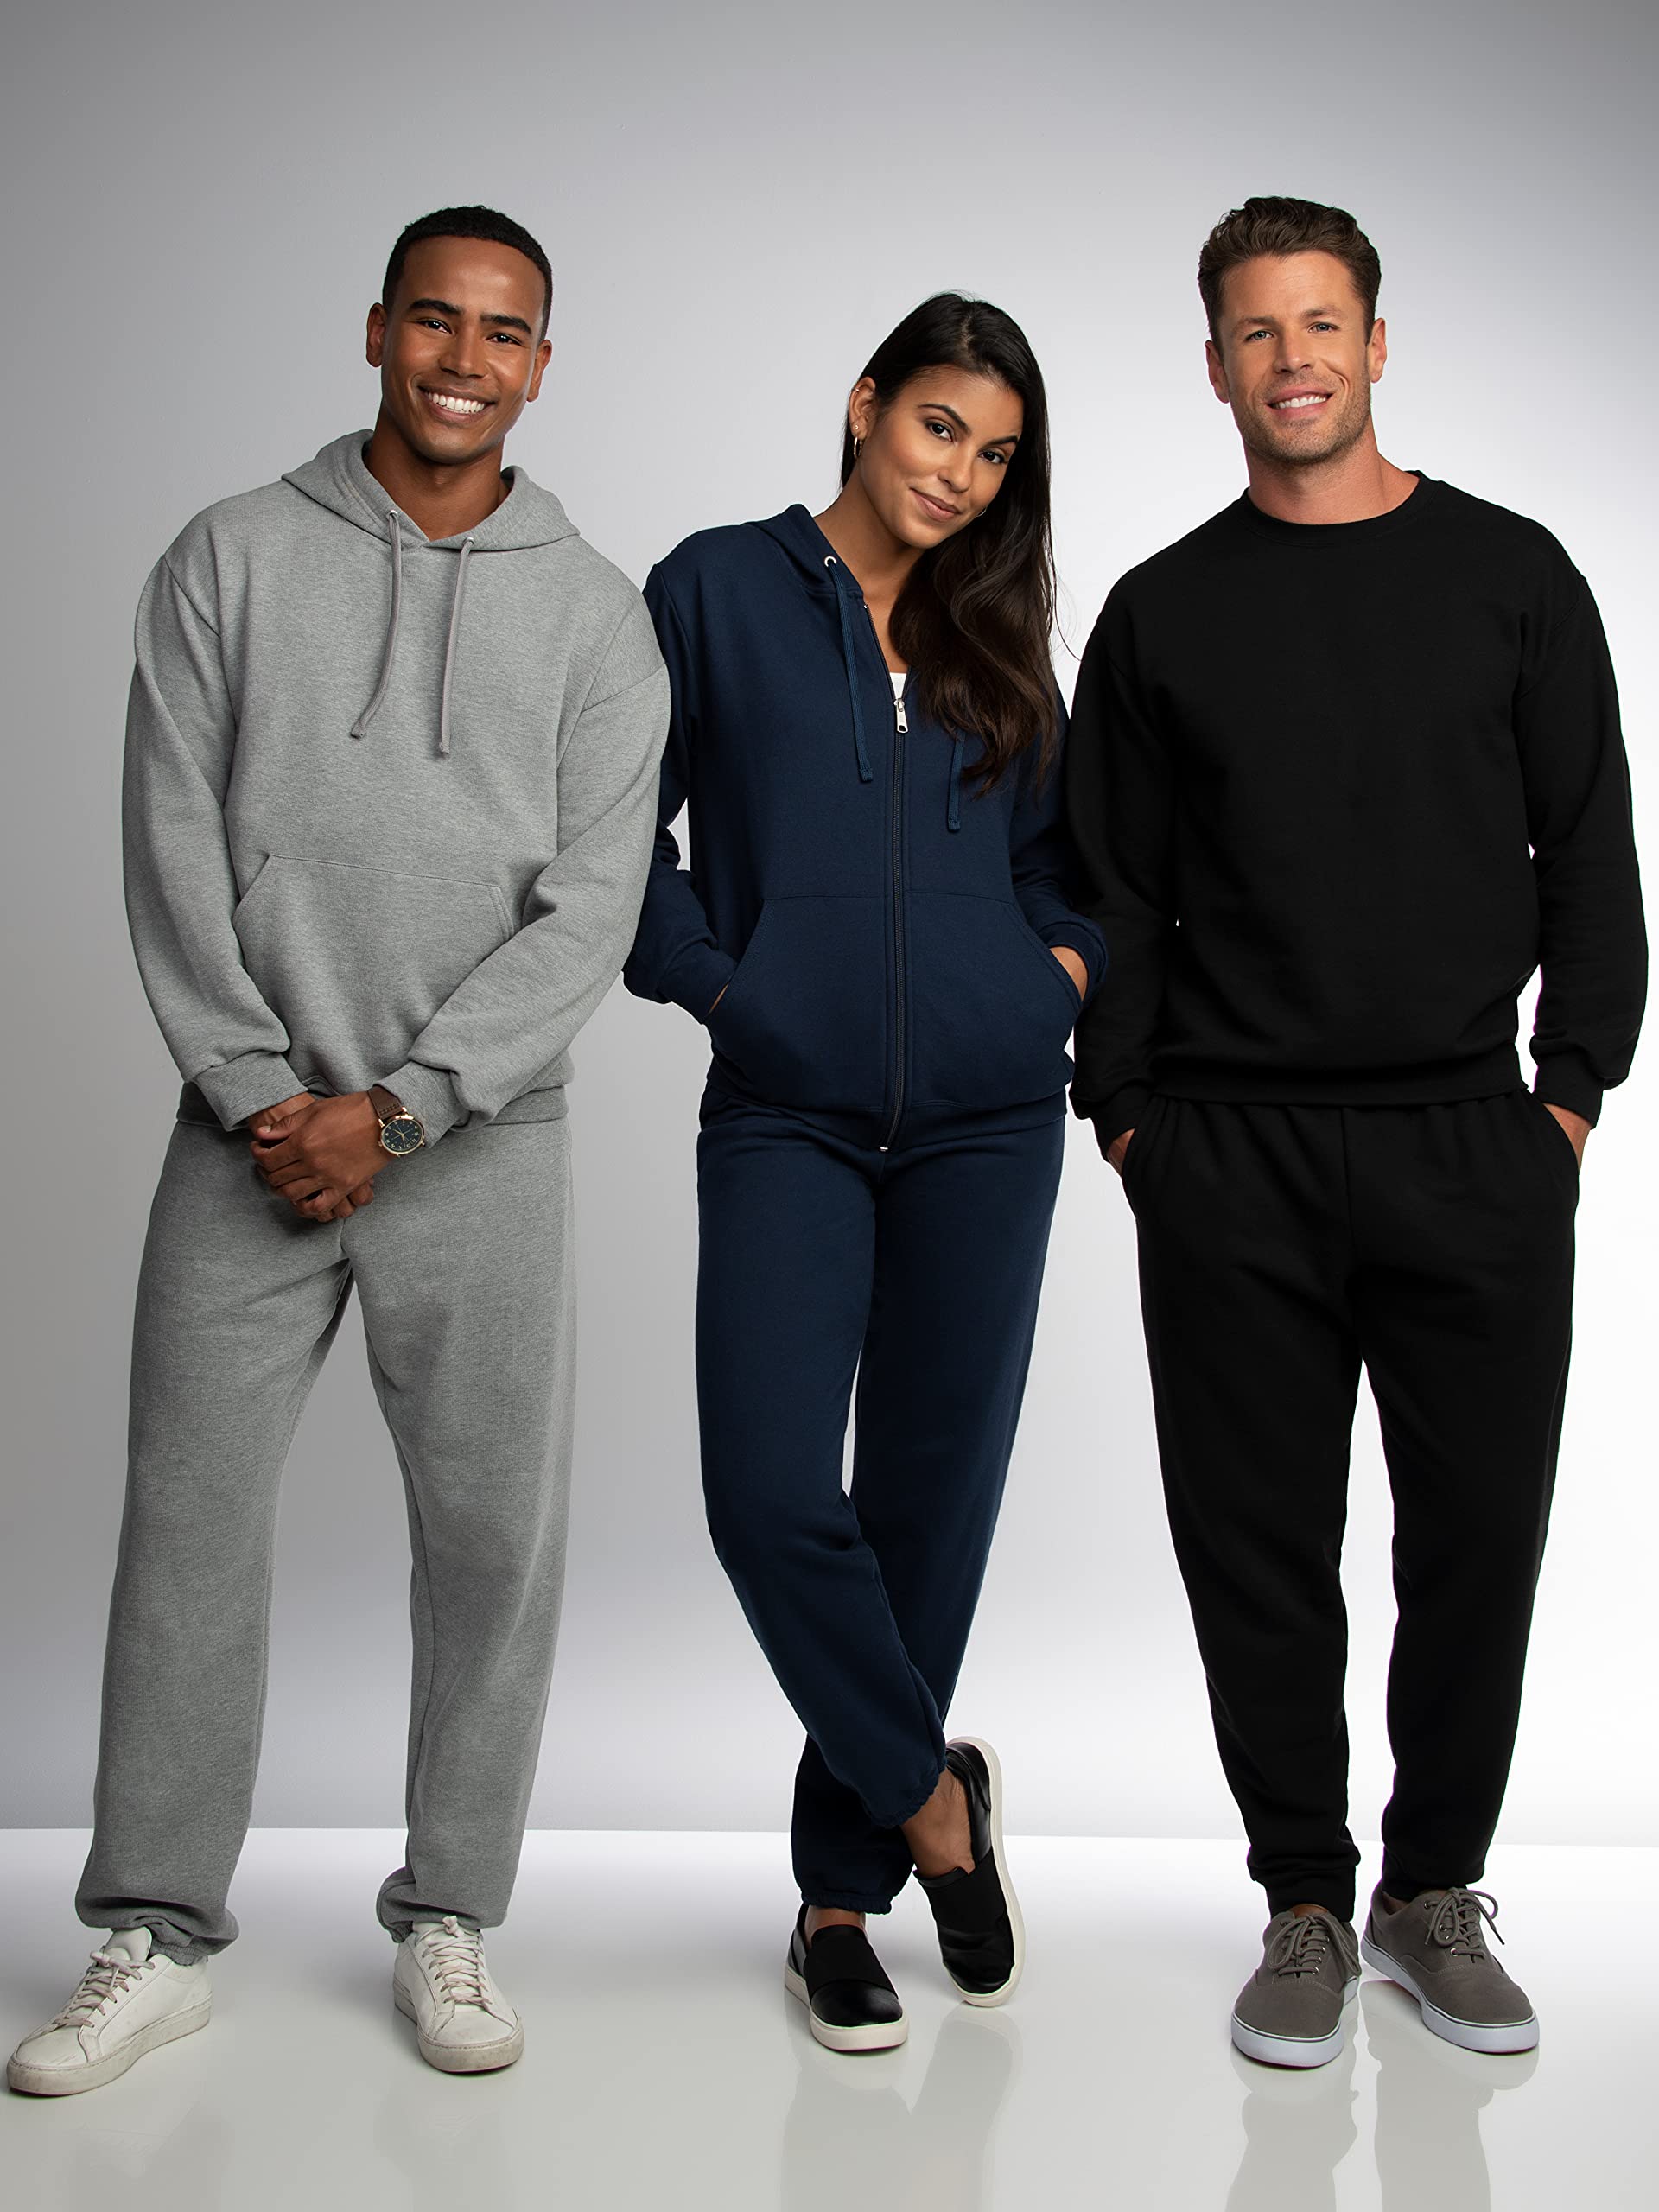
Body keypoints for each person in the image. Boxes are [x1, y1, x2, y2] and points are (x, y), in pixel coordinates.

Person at [6, 206, 669, 2095]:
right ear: (378, 331)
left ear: (543, 364)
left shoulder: (599, 615)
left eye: (505, 332)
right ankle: (154, 1930)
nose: (466, 358)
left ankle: (450, 1914)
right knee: (189, 1525)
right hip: (250, 1140)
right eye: (435, 320)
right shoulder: (226, 557)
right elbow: (168, 840)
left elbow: (593, 908)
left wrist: (402, 1108)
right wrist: (261, 1094)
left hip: (481, 1148)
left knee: (490, 1545)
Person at [1066, 196, 1645, 2068]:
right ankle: (1306, 1897)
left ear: (1378, 343)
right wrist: (1130, 1121)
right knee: (1257, 1549)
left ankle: (1433, 1887)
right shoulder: (1162, 611)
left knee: (1477, 1543)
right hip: (1227, 1150)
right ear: (1215, 365)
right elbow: (1110, 890)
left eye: (1322, 324)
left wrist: (1567, 1102)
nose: (1293, 359)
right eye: (1257, 330)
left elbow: (1594, 857)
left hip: (1472, 1142)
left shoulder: (1517, 577)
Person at [626, 295, 1104, 2053]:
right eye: (937, 428)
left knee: (927, 1506)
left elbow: (1066, 870)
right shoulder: (711, 589)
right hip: (791, 1110)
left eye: (995, 454)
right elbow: (614, 836)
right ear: (865, 405)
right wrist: (728, 990)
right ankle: (935, 1802)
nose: (961, 475)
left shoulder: (998, 631)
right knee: (768, 1493)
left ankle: (839, 1896)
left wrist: (1051, 983)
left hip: (989, 1118)